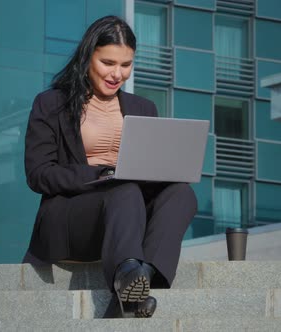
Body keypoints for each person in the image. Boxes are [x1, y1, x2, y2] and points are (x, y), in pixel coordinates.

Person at [22, 15, 197, 318]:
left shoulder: (144, 108)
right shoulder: (50, 103)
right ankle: (129, 280)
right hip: (72, 217)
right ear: (88, 56)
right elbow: (38, 174)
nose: (117, 73)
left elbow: (150, 170)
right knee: (124, 188)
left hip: (127, 220)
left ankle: (135, 283)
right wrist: (101, 174)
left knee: (182, 194)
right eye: (108, 63)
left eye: (126, 65)